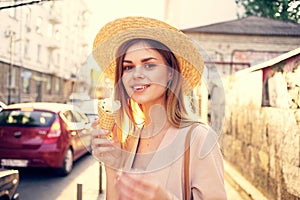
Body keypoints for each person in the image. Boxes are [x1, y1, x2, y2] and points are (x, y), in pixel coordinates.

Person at [91, 16, 227, 200]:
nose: (136, 74)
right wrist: (111, 167)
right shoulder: (132, 140)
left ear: (171, 73)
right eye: (128, 67)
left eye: (149, 65)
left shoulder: (199, 138)